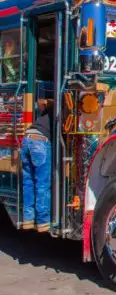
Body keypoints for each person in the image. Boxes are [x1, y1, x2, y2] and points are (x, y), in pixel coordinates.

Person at [20, 98, 54, 231]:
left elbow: (41, 102)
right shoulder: (61, 110)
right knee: (42, 183)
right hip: (40, 142)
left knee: (28, 182)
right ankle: (43, 221)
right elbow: (43, 102)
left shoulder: (46, 112)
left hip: (26, 139)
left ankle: (28, 219)